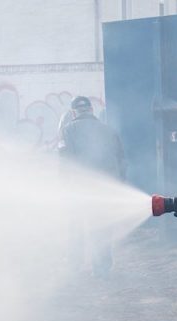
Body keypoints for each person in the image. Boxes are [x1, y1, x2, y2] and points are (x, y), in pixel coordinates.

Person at [59, 96, 126, 278]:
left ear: (74, 112)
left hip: (80, 189)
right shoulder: (109, 131)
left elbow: (66, 162)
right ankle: (102, 268)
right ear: (91, 110)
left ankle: (74, 266)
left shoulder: (68, 130)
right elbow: (121, 161)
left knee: (76, 227)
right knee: (102, 228)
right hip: (105, 190)